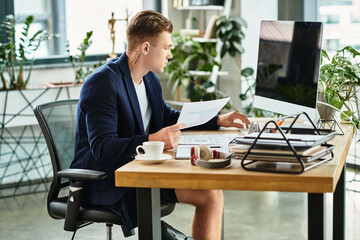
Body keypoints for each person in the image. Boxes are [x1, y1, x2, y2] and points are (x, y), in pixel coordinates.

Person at [71, 10, 250, 240]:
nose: (170, 55)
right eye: (166, 47)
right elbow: (102, 148)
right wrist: (153, 140)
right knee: (208, 194)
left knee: (210, 194)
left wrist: (217, 120)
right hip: (106, 182)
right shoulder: (103, 83)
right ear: (145, 48)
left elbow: (166, 116)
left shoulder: (149, 79)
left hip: (141, 173)